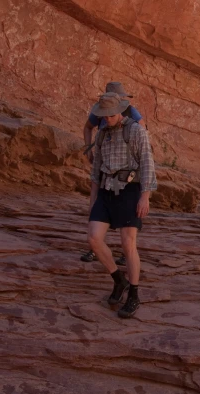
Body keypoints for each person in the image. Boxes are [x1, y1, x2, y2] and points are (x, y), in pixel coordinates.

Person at [87, 92, 157, 319]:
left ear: (120, 111)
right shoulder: (102, 134)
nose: (107, 119)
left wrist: (145, 196)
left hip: (130, 191)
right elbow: (96, 168)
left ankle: (134, 294)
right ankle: (119, 280)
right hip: (106, 191)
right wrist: (93, 198)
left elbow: (147, 163)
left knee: (128, 244)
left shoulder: (135, 131)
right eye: (104, 116)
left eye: (111, 115)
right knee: (94, 239)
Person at [81, 81, 145, 264]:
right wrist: (89, 149)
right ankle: (94, 248)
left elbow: (142, 131)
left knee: (126, 207)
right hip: (105, 163)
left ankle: (127, 251)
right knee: (98, 203)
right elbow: (87, 127)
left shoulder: (130, 112)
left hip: (125, 168)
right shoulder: (100, 111)